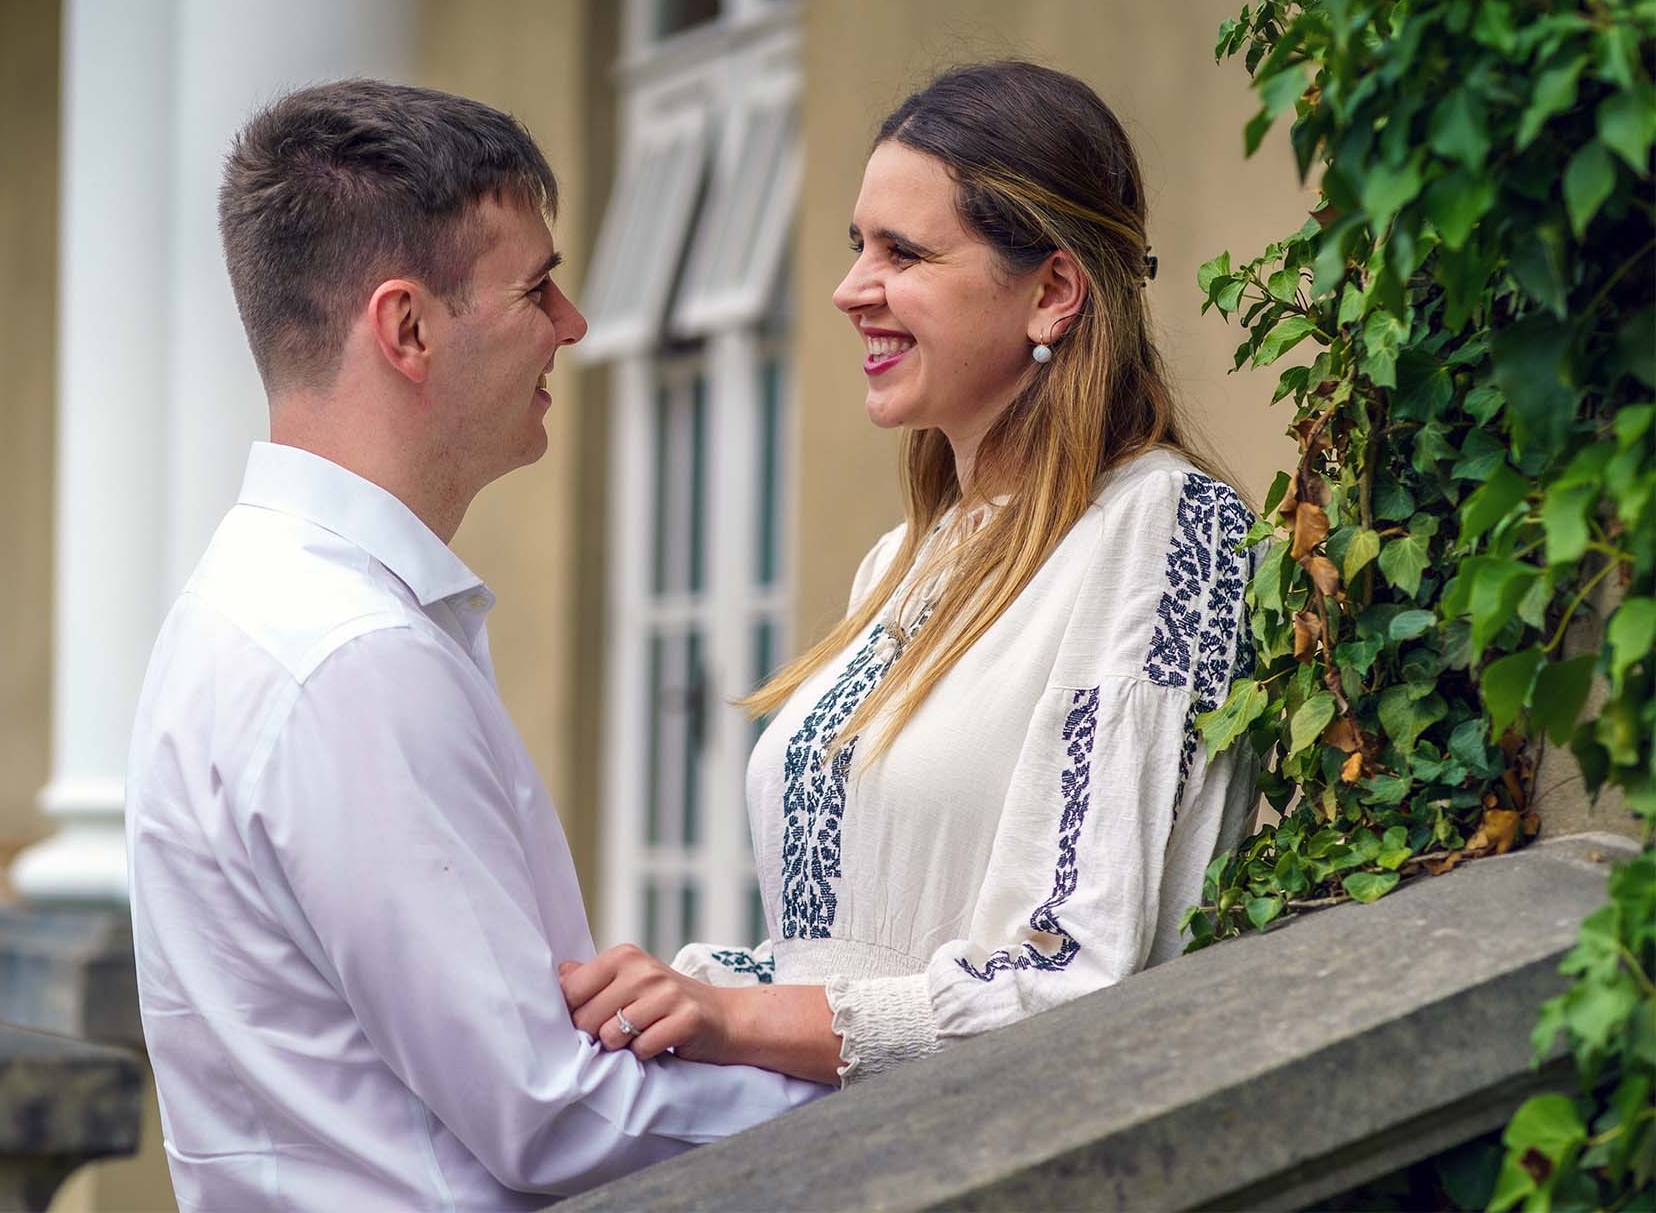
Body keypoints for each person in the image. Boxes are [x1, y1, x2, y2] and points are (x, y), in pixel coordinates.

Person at [124, 80, 824, 1213]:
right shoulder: (347, 656)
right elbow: (552, 1110)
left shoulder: (249, 605)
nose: (574, 324)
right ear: (407, 327)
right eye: (537, 287)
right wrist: (882, 1083)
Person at [559, 60, 1261, 1088]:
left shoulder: (1163, 526)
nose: (851, 289)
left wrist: (735, 1014)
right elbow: (840, 948)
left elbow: (1068, 977)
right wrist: (686, 989)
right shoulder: (901, 560)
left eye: (904, 251)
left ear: (1052, 290)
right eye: (858, 246)